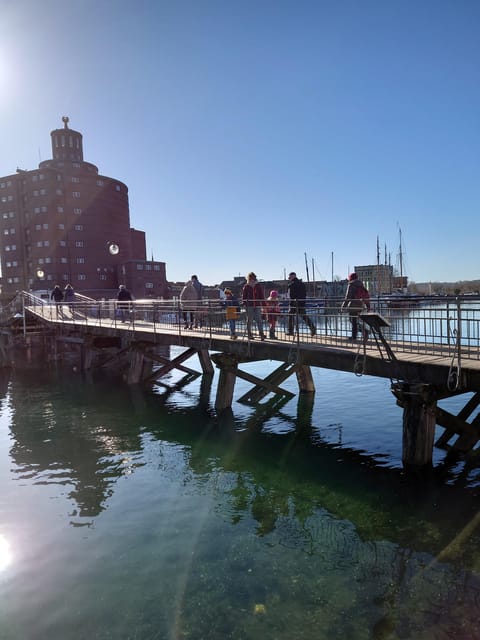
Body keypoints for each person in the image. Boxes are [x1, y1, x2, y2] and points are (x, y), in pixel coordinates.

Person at [341, 272, 370, 341]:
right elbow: (365, 296)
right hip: (360, 305)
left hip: (353, 306)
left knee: (353, 321)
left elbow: (348, 297)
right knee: (355, 321)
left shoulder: (351, 285)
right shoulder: (361, 285)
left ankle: (359, 334)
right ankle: (361, 332)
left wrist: (343, 307)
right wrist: (368, 306)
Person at [287, 272, 316, 337]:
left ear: (293, 276)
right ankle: (313, 328)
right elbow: (304, 294)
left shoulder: (291, 285)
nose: (289, 279)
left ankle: (290, 331)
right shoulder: (302, 284)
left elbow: (291, 296)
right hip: (301, 303)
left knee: (290, 316)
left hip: (294, 304)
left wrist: (291, 303)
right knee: (304, 317)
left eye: (290, 277)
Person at [242, 272, 266, 340]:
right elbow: (244, 297)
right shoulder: (246, 286)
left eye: (253, 278)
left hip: (257, 305)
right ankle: (249, 334)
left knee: (259, 320)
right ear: (248, 279)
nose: (252, 280)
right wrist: (244, 303)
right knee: (250, 320)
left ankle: (261, 333)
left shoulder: (258, 286)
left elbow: (261, 295)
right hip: (249, 305)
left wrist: (264, 304)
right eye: (251, 279)